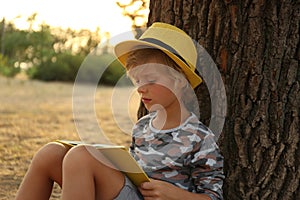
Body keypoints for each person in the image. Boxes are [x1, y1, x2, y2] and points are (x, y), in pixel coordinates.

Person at [15, 22, 224, 200]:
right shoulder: (143, 126)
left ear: (180, 82)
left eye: (151, 80)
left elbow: (213, 197)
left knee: (81, 155)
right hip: (131, 193)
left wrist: (173, 194)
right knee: (51, 153)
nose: (141, 87)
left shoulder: (200, 137)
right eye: (138, 80)